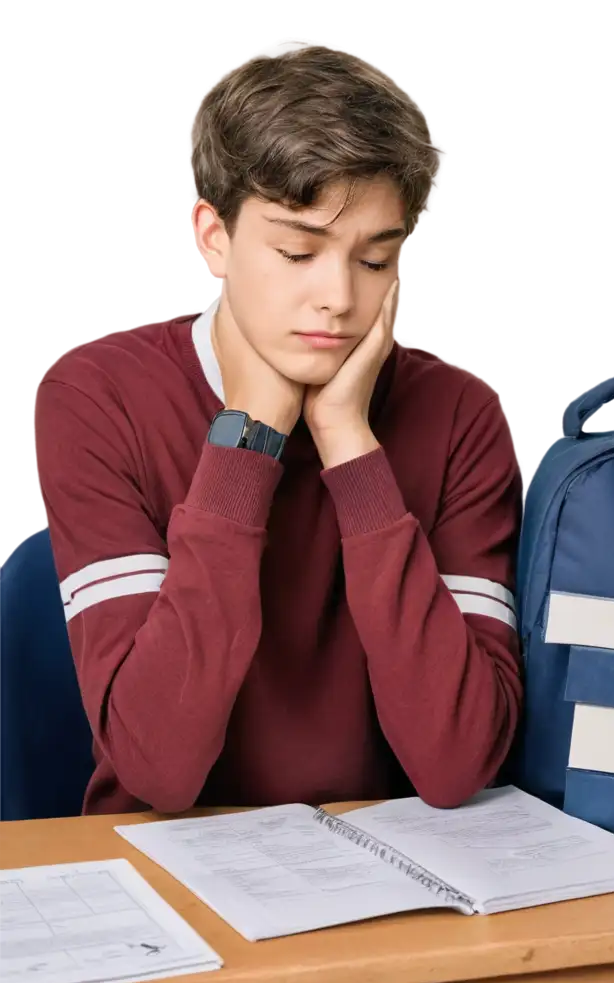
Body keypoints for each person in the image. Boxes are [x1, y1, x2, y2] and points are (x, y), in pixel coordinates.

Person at [35, 49, 523, 816]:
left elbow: (456, 760)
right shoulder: (100, 399)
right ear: (212, 237)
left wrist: (347, 440)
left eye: (376, 258)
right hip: (169, 873)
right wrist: (252, 436)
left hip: (389, 873)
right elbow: (155, 768)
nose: (338, 297)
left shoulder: (457, 416)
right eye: (298, 252)